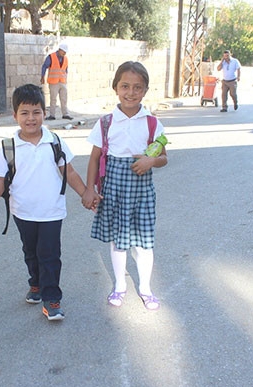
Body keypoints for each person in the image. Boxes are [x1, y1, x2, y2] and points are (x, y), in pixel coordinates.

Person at [0, 84, 95, 321]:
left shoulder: (54, 142)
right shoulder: (8, 147)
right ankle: (35, 283)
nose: (31, 118)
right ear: (15, 115)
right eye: (24, 113)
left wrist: (85, 193)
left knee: (50, 255)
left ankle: (51, 299)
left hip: (51, 212)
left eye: (36, 112)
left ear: (44, 113)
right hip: (22, 212)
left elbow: (70, 172)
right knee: (30, 252)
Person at [82, 61, 168, 311]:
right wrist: (89, 189)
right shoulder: (106, 123)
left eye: (137, 87)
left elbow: (164, 157)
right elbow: (95, 158)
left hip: (142, 192)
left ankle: (146, 289)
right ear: (116, 88)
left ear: (145, 90)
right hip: (114, 190)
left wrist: (151, 161)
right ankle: (120, 285)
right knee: (117, 241)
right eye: (125, 86)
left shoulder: (152, 123)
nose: (131, 92)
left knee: (143, 243)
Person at [40, 43, 73, 121]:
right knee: (53, 99)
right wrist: (42, 76)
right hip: (53, 82)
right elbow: (44, 66)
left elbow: (66, 70)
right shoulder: (51, 57)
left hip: (62, 82)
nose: (65, 53)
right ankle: (52, 115)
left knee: (64, 98)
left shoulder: (65, 58)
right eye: (64, 51)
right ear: (60, 50)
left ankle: (65, 114)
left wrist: (65, 79)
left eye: (65, 52)